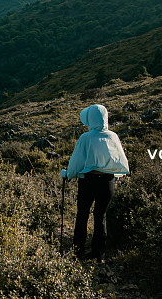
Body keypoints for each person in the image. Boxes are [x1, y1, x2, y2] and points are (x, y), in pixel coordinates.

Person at [61, 104, 129, 262]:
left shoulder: (86, 138)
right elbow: (120, 159)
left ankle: (78, 252)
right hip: (108, 182)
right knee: (100, 216)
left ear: (90, 119)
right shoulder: (113, 136)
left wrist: (68, 174)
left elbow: (77, 162)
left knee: (82, 215)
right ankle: (99, 254)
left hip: (89, 181)